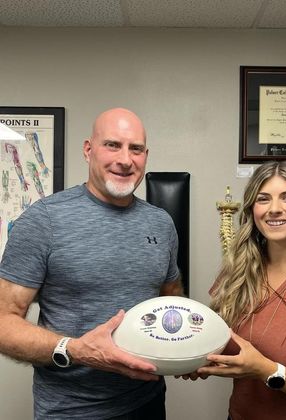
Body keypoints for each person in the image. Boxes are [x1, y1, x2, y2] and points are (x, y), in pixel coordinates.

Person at [0, 107, 183, 419]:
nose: (125, 160)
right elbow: (3, 321)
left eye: (135, 148)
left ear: (145, 155)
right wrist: (75, 350)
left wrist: (187, 348)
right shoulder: (44, 220)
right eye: (112, 144)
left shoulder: (161, 223)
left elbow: (172, 300)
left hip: (148, 401)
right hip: (72, 409)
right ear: (88, 150)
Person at [196, 161, 286, 419]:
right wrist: (194, 359)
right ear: (252, 210)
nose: (274, 209)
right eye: (263, 199)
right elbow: (229, 344)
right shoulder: (237, 272)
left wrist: (267, 370)